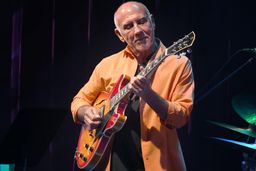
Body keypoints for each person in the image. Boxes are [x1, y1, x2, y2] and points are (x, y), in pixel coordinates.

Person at [71, 1, 195, 171]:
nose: (137, 31)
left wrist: (148, 94)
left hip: (158, 164)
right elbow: (79, 100)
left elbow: (181, 117)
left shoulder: (178, 65)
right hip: (113, 161)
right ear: (119, 34)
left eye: (142, 21)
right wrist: (85, 112)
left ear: (152, 22)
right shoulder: (107, 64)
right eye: (128, 26)